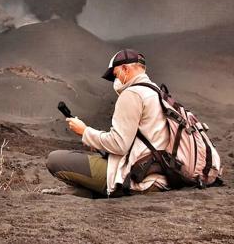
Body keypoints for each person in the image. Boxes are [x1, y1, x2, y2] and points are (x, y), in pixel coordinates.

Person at [46, 49, 169, 197]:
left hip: (137, 179)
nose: (116, 81)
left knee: (55, 160)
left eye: (116, 75)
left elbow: (119, 144)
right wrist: (97, 141)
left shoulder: (132, 94)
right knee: (91, 161)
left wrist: (85, 131)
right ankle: (85, 192)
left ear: (125, 68)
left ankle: (98, 191)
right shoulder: (158, 93)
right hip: (159, 174)